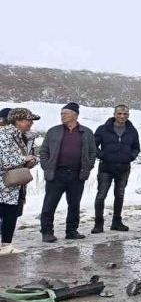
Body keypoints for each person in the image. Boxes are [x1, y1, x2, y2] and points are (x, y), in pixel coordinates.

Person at [38, 102, 97, 243]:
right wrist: (47, 166)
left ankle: (71, 231)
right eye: (61, 113)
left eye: (65, 113)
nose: (62, 115)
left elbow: (92, 151)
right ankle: (47, 232)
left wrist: (88, 166)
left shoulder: (86, 132)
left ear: (75, 115)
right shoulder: (53, 131)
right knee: (49, 204)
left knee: (74, 205)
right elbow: (44, 151)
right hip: (57, 174)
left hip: (77, 175)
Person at [92, 104, 141, 233]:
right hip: (106, 167)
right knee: (101, 195)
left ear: (128, 115)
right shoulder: (103, 129)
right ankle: (98, 223)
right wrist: (103, 155)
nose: (122, 116)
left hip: (124, 168)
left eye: (125, 114)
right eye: (119, 113)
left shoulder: (132, 130)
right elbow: (93, 146)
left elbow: (136, 147)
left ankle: (116, 222)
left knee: (119, 195)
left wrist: (131, 156)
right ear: (114, 114)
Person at [0, 108, 40, 255]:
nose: (31, 123)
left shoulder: (19, 135)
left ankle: (6, 245)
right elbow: (4, 160)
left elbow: (29, 155)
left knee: (10, 212)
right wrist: (25, 159)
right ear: (18, 120)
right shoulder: (4, 135)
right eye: (28, 120)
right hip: (3, 182)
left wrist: (32, 160)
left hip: (11, 183)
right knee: (5, 211)